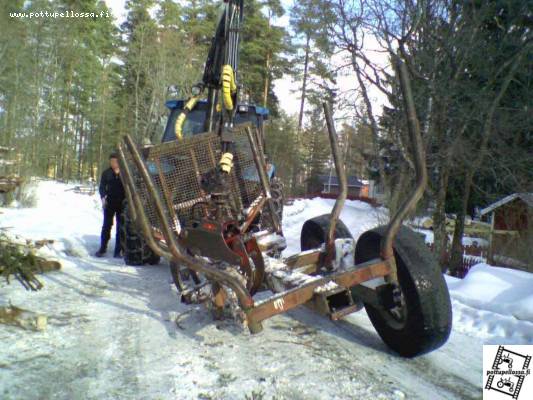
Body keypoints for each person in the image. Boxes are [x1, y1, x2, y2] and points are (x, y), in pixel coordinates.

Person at [95, 153, 125, 258]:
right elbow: (102, 187)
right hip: (110, 203)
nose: (113, 163)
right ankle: (102, 248)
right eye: (111, 161)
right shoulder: (106, 173)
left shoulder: (125, 173)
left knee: (121, 227)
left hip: (122, 204)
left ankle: (118, 251)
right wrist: (103, 198)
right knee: (107, 226)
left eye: (115, 161)